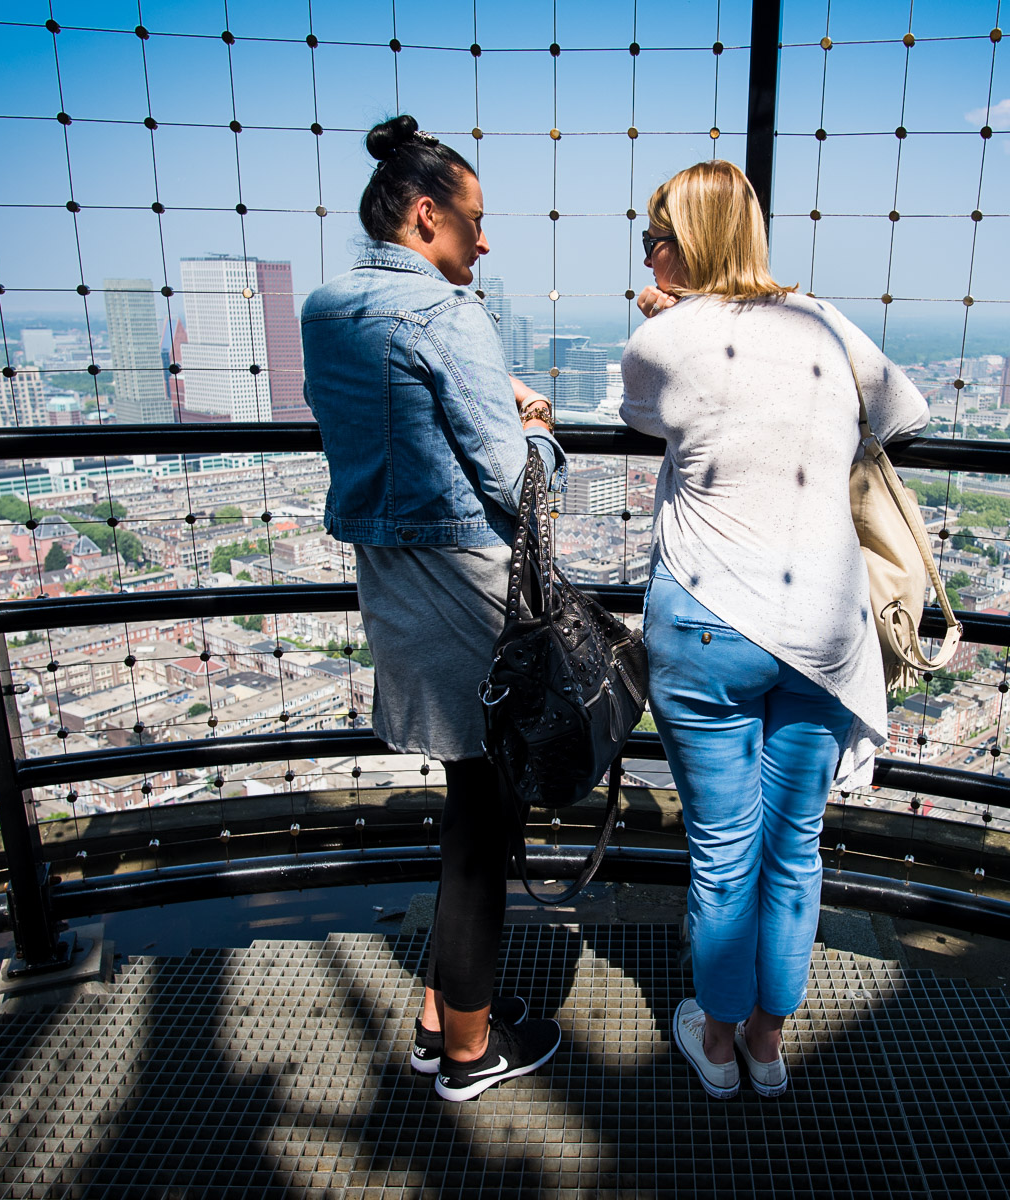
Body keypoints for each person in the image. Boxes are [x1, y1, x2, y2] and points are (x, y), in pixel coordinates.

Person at [620, 160, 929, 1099]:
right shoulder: (824, 323)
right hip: (821, 627)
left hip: (708, 619)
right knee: (795, 849)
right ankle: (766, 1043)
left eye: (656, 238)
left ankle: (714, 1045)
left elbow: (644, 419)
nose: (647, 254)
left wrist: (658, 312)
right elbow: (902, 414)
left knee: (724, 852)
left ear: (690, 245)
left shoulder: (667, 338)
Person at [301, 114, 563, 1103]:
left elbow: (394, 421)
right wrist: (537, 427)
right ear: (426, 216)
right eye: (476, 220)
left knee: (468, 806)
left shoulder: (326, 310)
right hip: (468, 598)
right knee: (481, 828)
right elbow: (515, 489)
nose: (485, 240)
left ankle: (436, 1023)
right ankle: (469, 1053)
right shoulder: (449, 317)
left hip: (395, 592)